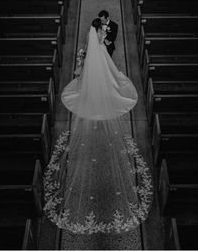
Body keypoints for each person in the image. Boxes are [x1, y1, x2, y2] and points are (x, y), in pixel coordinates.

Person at [43, 18, 153, 235]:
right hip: (99, 59)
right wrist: (102, 43)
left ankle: (96, 90)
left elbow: (94, 48)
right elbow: (102, 45)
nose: (103, 29)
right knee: (109, 76)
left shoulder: (92, 36)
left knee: (100, 74)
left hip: (95, 61)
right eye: (101, 28)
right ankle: (105, 90)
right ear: (99, 28)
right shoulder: (98, 37)